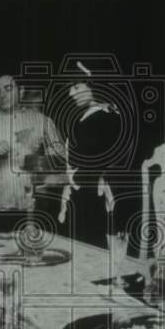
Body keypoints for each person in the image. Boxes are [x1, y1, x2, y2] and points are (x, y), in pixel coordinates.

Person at [0, 74, 64, 212]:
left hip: (35, 204)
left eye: (8, 89)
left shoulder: (43, 121)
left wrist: (37, 163)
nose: (2, 95)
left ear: (21, 91)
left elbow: (60, 156)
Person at [57, 68, 124, 250]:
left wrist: (72, 178)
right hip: (86, 198)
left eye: (76, 87)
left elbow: (99, 165)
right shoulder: (91, 115)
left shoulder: (106, 117)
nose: (71, 93)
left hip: (98, 202)